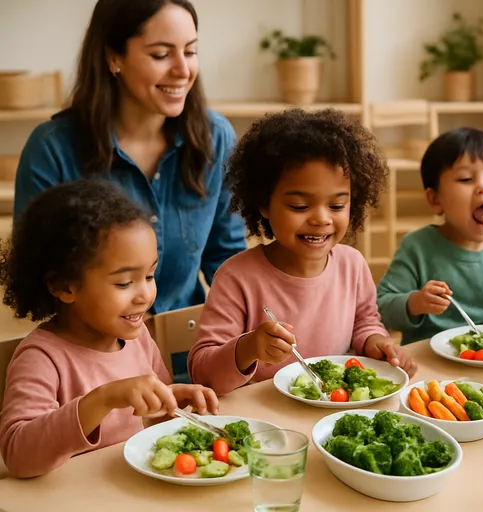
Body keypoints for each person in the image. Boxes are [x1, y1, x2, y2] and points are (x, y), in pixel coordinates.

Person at [13, 0, 246, 317]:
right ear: (113, 57)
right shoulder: (51, 148)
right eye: (161, 55)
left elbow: (227, 259)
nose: (183, 70)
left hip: (189, 352)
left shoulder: (215, 137)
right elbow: (37, 280)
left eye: (190, 51)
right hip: (93, 359)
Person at [187, 109, 416, 395]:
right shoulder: (237, 277)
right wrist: (248, 348)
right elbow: (203, 374)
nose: (321, 219)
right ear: (264, 203)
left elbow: (365, 322)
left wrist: (376, 342)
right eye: (299, 206)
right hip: (267, 424)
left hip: (333, 416)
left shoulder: (352, 265)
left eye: (336, 206)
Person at [0, 180, 219, 479]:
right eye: (124, 283)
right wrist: (101, 400)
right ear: (64, 286)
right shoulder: (41, 358)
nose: (144, 294)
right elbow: (19, 456)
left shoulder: (138, 336)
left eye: (150, 275)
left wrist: (171, 401)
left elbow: (144, 425)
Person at [377, 127, 483, 345]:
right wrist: (415, 302)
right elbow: (381, 307)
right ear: (435, 200)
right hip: (430, 364)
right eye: (465, 179)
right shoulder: (417, 247)